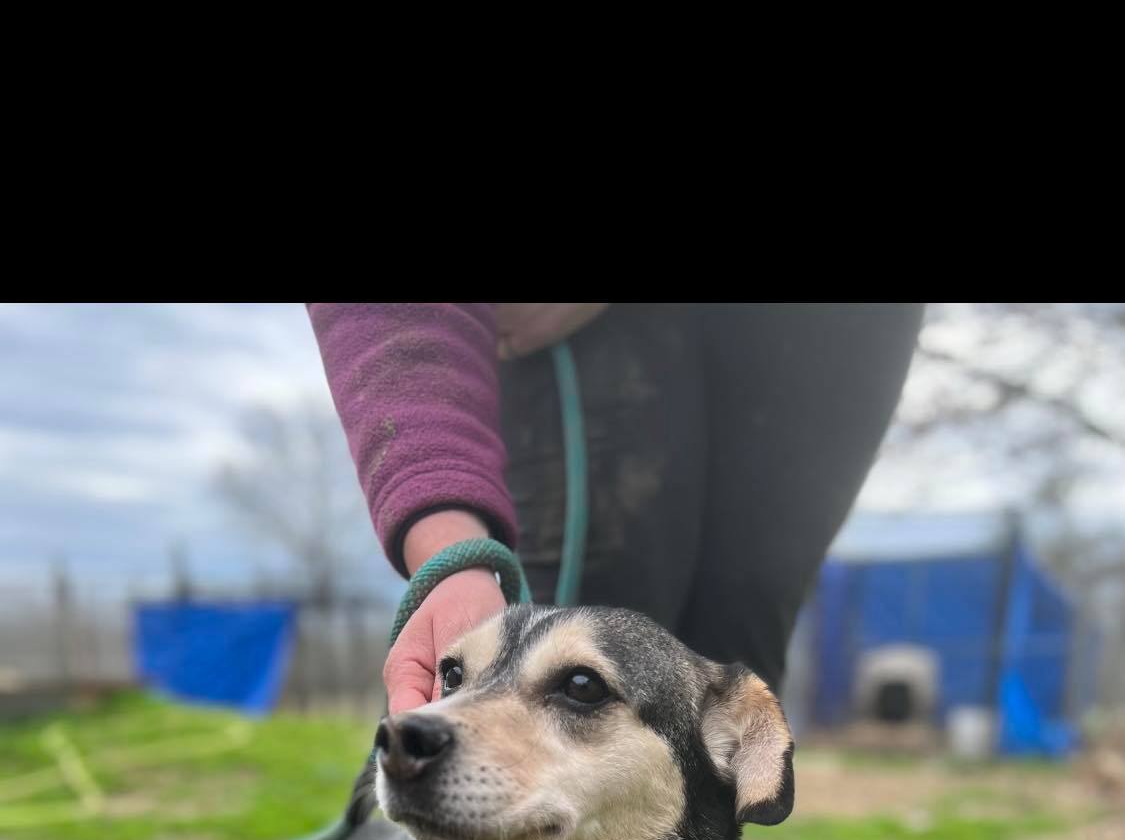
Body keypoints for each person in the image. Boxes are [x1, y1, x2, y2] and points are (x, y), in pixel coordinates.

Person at [307, 303, 924, 717]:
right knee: (557, 664)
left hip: (835, 332)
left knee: (723, 697)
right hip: (589, 329)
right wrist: (452, 560)